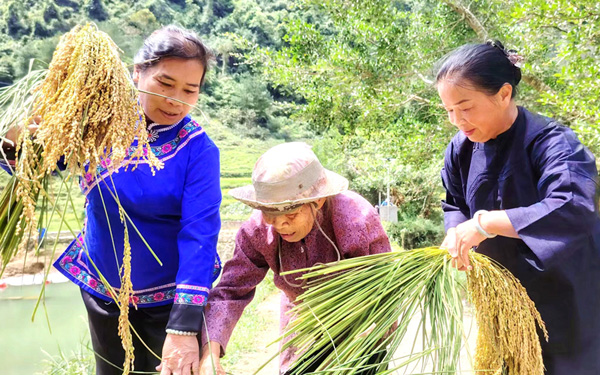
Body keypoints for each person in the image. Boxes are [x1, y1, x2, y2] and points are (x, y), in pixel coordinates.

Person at [2, 25, 222, 375]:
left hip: (170, 299)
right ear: (137, 73)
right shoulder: (95, 127)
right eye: (165, 84)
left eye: (189, 90)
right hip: (102, 290)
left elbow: (200, 233)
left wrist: (182, 327)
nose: (175, 99)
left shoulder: (199, 150)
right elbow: (34, 166)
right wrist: (17, 135)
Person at [436, 40, 600, 374]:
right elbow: (453, 203)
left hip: (566, 296)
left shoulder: (554, 143)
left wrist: (486, 224)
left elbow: (572, 206)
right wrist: (456, 234)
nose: (457, 120)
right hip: (504, 301)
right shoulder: (460, 149)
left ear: (504, 94)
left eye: (465, 107)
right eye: (449, 110)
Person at [199, 142, 392, 375]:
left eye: (290, 214)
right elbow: (230, 290)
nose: (280, 224)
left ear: (318, 201)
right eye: (270, 213)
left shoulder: (355, 219)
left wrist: (370, 328)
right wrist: (210, 354)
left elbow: (385, 286)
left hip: (359, 326)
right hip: (303, 324)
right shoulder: (257, 230)